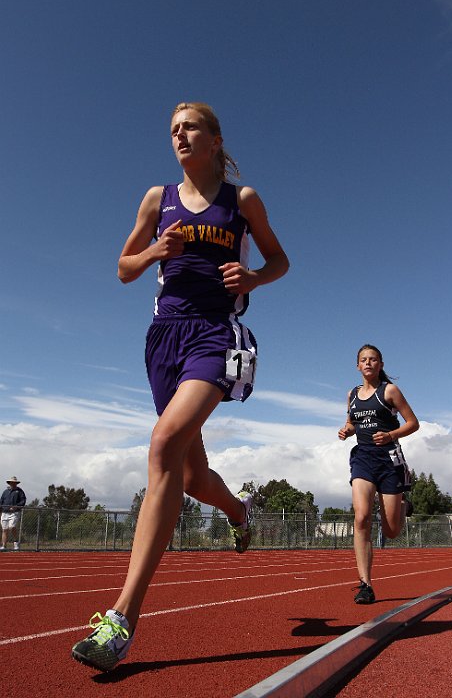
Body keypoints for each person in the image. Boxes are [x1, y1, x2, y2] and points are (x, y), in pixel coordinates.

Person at [71, 102, 289, 671]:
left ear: (216, 139)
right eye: (173, 130)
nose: (179, 135)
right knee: (190, 477)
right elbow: (123, 267)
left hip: (216, 335)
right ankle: (240, 513)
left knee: (164, 444)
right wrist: (152, 252)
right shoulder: (155, 198)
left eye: (190, 127)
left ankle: (121, 618)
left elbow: (280, 259)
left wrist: (256, 277)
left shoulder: (241, 201)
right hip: (162, 338)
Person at [338, 344, 419, 604]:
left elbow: (413, 423)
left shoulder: (390, 391)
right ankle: (365, 584)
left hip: (388, 461)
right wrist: (347, 430)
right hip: (363, 459)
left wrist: (391, 435)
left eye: (373, 359)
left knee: (392, 531)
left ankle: (402, 505)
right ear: (357, 365)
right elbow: (353, 422)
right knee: (361, 517)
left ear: (380, 364)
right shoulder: (352, 394)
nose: (368, 363)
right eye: (364, 360)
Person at [0, 476, 26, 551]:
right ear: (9, 483)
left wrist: (16, 506)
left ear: (16, 483)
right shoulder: (5, 491)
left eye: (14, 482)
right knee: (4, 529)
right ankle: (4, 546)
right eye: (12, 482)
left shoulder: (19, 491)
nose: (13, 483)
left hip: (14, 512)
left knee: (12, 527)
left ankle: (16, 543)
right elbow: (1, 501)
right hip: (5, 512)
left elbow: (23, 501)